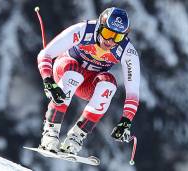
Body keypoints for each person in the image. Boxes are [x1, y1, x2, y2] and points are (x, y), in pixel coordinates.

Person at [37, 7, 140, 155]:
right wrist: (48, 80)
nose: (110, 41)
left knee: (109, 84)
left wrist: (126, 121)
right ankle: (50, 134)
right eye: (107, 33)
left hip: (88, 84)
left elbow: (133, 93)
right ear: (99, 27)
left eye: (117, 37)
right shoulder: (83, 30)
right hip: (66, 69)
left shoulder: (127, 51)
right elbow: (45, 54)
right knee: (74, 74)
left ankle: (75, 138)